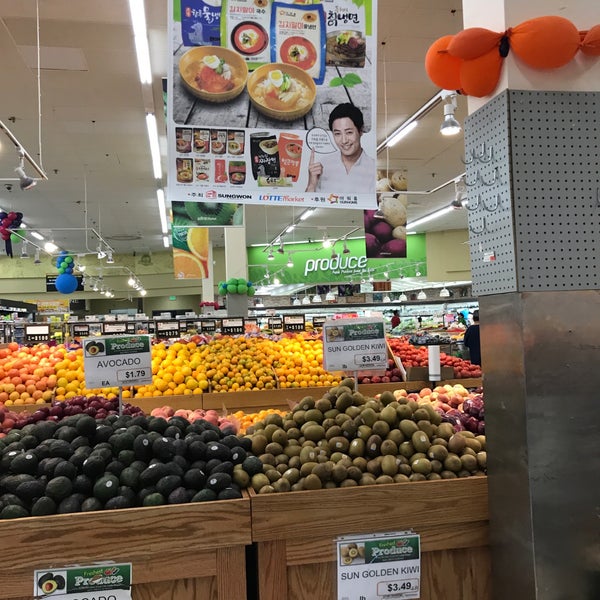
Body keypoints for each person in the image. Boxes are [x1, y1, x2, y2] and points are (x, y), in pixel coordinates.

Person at [305, 103, 375, 193]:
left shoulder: (373, 168)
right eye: (337, 134)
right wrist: (311, 184)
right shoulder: (323, 165)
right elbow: (309, 201)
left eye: (349, 132)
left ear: (360, 131)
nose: (344, 140)